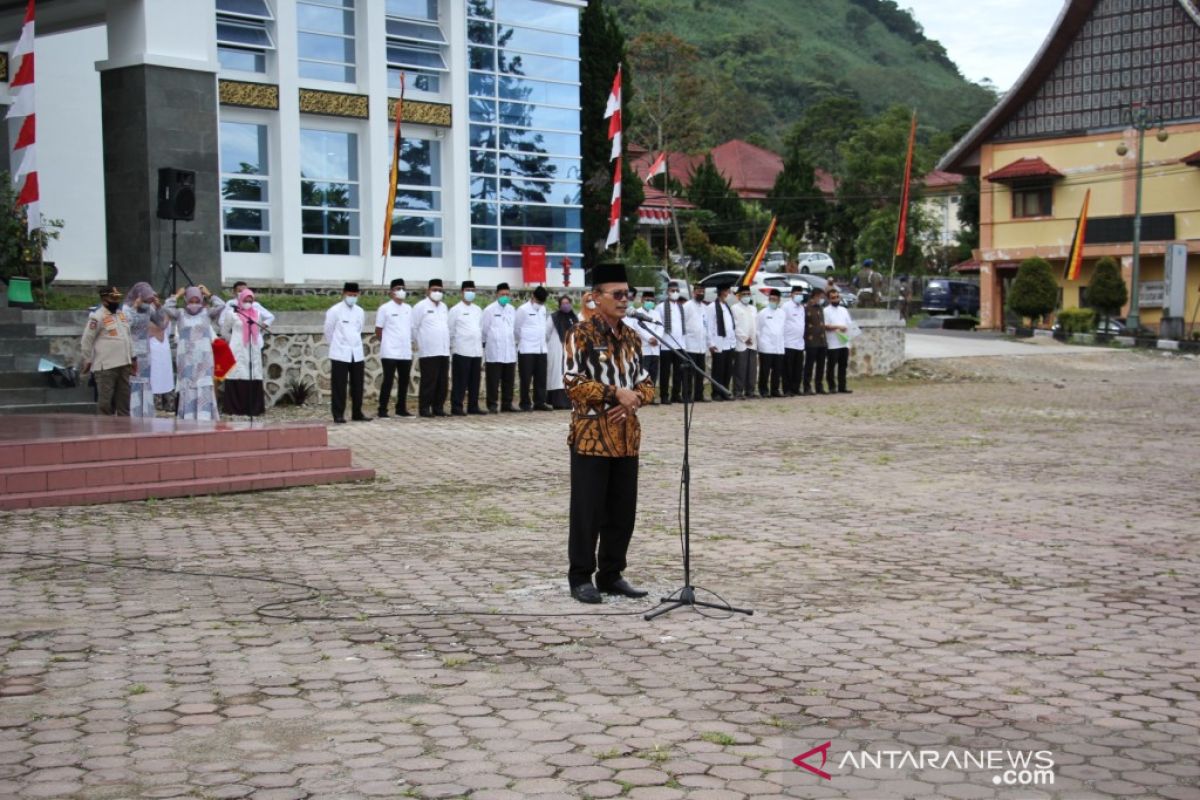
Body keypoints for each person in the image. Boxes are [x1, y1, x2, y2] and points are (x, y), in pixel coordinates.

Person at [563, 262, 655, 604]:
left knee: (622, 512)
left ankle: (611, 574)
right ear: (595, 297)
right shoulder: (580, 333)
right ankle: (580, 577)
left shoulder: (632, 336)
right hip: (592, 437)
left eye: (626, 293)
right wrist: (615, 393)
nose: (624, 299)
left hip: (626, 437)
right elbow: (572, 383)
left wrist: (635, 399)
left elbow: (645, 382)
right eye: (617, 294)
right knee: (588, 511)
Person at [163, 285, 224, 421]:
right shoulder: (179, 313)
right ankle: (188, 415)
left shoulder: (207, 313)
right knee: (187, 383)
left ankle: (205, 415)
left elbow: (221, 305)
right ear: (186, 300)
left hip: (204, 356)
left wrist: (209, 294)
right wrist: (177, 295)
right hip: (186, 357)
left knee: (204, 383)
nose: (194, 304)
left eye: (197, 301)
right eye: (191, 301)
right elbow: (166, 307)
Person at [81, 285, 134, 416]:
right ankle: (106, 431)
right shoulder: (97, 316)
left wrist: (133, 357)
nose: (116, 301)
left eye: (117, 298)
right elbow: (87, 339)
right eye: (113, 298)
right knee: (105, 403)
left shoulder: (121, 315)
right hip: (106, 366)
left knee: (124, 402)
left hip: (124, 363)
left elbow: (128, 337)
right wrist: (87, 359)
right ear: (104, 299)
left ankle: (124, 431)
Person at [325, 282, 370, 423]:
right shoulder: (334, 310)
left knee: (358, 385)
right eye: (350, 295)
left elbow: (359, 329)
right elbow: (328, 331)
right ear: (344, 294)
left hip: (356, 352)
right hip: (339, 352)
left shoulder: (360, 311)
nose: (352, 297)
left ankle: (357, 412)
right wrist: (336, 345)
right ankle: (338, 414)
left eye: (355, 295)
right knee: (339, 385)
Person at [220, 287, 267, 417]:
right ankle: (235, 406)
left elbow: (259, 328)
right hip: (237, 347)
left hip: (253, 346)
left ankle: (253, 407)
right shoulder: (232, 314)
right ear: (240, 299)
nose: (248, 301)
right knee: (237, 372)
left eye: (250, 299)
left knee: (252, 372)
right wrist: (235, 340)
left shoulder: (257, 314)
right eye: (245, 299)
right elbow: (224, 331)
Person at [123, 282, 166, 417]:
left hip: (145, 350)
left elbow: (161, 324)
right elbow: (126, 325)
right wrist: (135, 307)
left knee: (145, 381)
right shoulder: (126, 308)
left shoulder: (148, 308)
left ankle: (144, 410)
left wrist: (159, 308)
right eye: (146, 299)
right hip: (131, 349)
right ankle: (132, 411)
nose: (147, 302)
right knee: (133, 380)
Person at [412, 279, 451, 417]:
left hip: (443, 350)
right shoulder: (420, 306)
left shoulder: (444, 307)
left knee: (442, 382)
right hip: (428, 351)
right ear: (428, 291)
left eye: (440, 290)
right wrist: (421, 343)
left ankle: (438, 408)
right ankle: (424, 408)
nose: (437, 293)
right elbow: (414, 328)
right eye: (434, 290)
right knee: (429, 381)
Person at [375, 278, 413, 418]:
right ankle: (382, 409)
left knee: (404, 381)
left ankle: (401, 408)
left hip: (405, 351)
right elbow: (378, 330)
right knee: (388, 380)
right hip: (390, 351)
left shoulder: (409, 308)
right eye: (397, 288)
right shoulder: (384, 308)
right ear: (391, 292)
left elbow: (411, 328)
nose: (401, 291)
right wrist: (385, 342)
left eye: (403, 288)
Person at [448, 280, 486, 416]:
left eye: (473, 290)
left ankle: (473, 406)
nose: (470, 293)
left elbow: (480, 328)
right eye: (468, 290)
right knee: (460, 381)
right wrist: (454, 346)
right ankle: (457, 406)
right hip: (461, 350)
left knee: (474, 381)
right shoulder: (455, 310)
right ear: (462, 292)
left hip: (475, 351)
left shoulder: (477, 310)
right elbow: (450, 330)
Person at [482, 283, 518, 413]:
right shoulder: (489, 310)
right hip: (494, 351)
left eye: (507, 294)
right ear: (497, 295)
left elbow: (514, 328)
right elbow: (484, 330)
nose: (505, 297)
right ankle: (492, 404)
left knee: (509, 380)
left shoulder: (512, 309)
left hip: (509, 350)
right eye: (502, 294)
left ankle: (507, 404)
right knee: (493, 380)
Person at [515, 285, 552, 411]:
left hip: (541, 348)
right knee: (526, 378)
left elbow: (544, 328)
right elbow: (517, 329)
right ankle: (525, 403)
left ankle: (540, 402)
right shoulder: (522, 310)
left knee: (541, 377)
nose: (539, 304)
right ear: (533, 297)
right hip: (527, 349)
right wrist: (525, 340)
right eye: (538, 301)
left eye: (542, 302)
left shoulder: (543, 309)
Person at [625, 291, 662, 397]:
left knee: (653, 373)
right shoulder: (637, 313)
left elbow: (660, 327)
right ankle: (642, 395)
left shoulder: (656, 314)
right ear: (642, 300)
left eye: (652, 300)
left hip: (655, 348)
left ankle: (651, 396)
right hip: (644, 348)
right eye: (647, 300)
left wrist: (657, 339)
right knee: (643, 373)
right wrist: (649, 338)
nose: (649, 302)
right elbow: (638, 328)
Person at [656, 281, 687, 404]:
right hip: (666, 344)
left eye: (677, 291)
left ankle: (676, 394)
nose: (675, 293)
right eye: (672, 291)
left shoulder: (681, 307)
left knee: (679, 371)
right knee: (665, 372)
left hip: (679, 344)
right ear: (667, 292)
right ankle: (664, 395)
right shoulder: (660, 307)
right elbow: (658, 325)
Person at [548, 294, 579, 410]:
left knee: (570, 373)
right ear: (560, 305)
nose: (566, 305)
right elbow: (547, 333)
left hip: (571, 349)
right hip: (557, 347)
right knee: (558, 375)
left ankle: (570, 401)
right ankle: (558, 401)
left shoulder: (574, 317)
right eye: (563, 303)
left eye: (568, 303)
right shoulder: (554, 317)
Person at [706, 284, 737, 401]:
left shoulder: (727, 306)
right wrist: (711, 343)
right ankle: (716, 392)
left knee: (728, 369)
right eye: (726, 291)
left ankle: (725, 391)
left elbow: (730, 325)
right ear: (721, 292)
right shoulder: (712, 307)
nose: (728, 294)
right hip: (718, 343)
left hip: (729, 343)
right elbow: (709, 326)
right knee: (718, 370)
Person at [756, 288, 786, 398]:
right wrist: (760, 345)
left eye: (775, 299)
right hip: (766, 346)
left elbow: (782, 329)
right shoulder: (763, 313)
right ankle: (763, 390)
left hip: (778, 346)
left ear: (779, 300)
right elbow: (758, 330)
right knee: (765, 370)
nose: (772, 301)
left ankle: (775, 389)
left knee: (777, 370)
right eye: (771, 299)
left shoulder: (782, 313)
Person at [824, 287, 854, 394]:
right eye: (833, 298)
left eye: (837, 297)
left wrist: (849, 342)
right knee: (831, 366)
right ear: (829, 299)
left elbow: (849, 325)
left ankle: (842, 386)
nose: (836, 299)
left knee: (843, 366)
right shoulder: (826, 311)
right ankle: (832, 386)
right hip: (832, 343)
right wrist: (838, 327)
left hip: (844, 342)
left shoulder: (844, 310)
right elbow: (825, 326)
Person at [730, 285, 758, 399]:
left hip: (753, 342)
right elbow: (735, 326)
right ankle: (738, 391)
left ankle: (750, 391)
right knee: (740, 368)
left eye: (748, 294)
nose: (746, 296)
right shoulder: (735, 308)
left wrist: (753, 338)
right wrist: (744, 338)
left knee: (752, 368)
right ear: (739, 296)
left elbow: (755, 325)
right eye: (744, 294)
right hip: (742, 342)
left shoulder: (753, 308)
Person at [683, 284, 709, 402]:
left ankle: (699, 395)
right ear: (694, 292)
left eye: (703, 291)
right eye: (699, 291)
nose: (701, 293)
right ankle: (687, 395)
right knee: (689, 374)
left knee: (700, 373)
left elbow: (705, 325)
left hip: (701, 346)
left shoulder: (704, 307)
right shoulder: (687, 306)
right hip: (690, 345)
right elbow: (683, 325)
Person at [782, 284, 807, 397]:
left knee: (798, 368)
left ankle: (795, 388)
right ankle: (787, 389)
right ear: (791, 294)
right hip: (788, 342)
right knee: (788, 368)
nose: (799, 296)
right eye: (796, 293)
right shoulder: (786, 306)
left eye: (800, 294)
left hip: (799, 343)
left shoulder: (802, 307)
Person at [803, 288, 829, 395]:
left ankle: (819, 386)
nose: (821, 299)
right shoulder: (806, 308)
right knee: (809, 365)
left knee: (821, 365)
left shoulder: (820, 308)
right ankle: (807, 387)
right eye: (820, 297)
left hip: (821, 340)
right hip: (811, 340)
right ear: (815, 296)